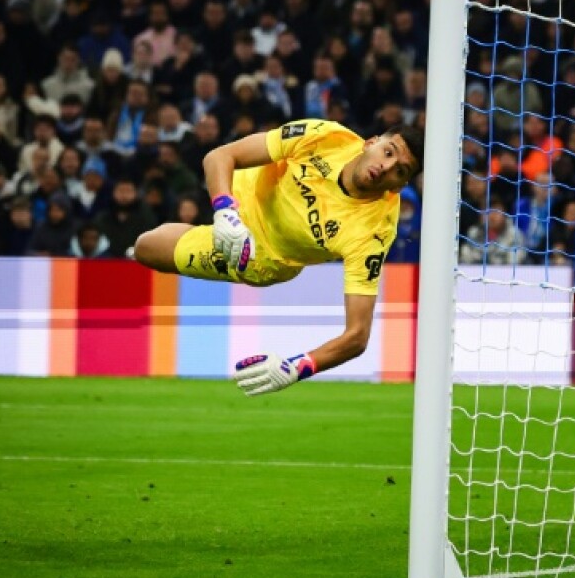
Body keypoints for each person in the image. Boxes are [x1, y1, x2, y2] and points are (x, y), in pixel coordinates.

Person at [134, 119, 424, 395]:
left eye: (399, 171)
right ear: (369, 143)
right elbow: (219, 156)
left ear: (398, 187)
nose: (385, 167)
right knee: (166, 226)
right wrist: (224, 210)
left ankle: (201, 235)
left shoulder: (373, 233)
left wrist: (295, 368)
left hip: (259, 255)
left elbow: (358, 336)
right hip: (238, 193)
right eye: (387, 152)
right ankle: (214, 222)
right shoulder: (325, 136)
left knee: (145, 248)